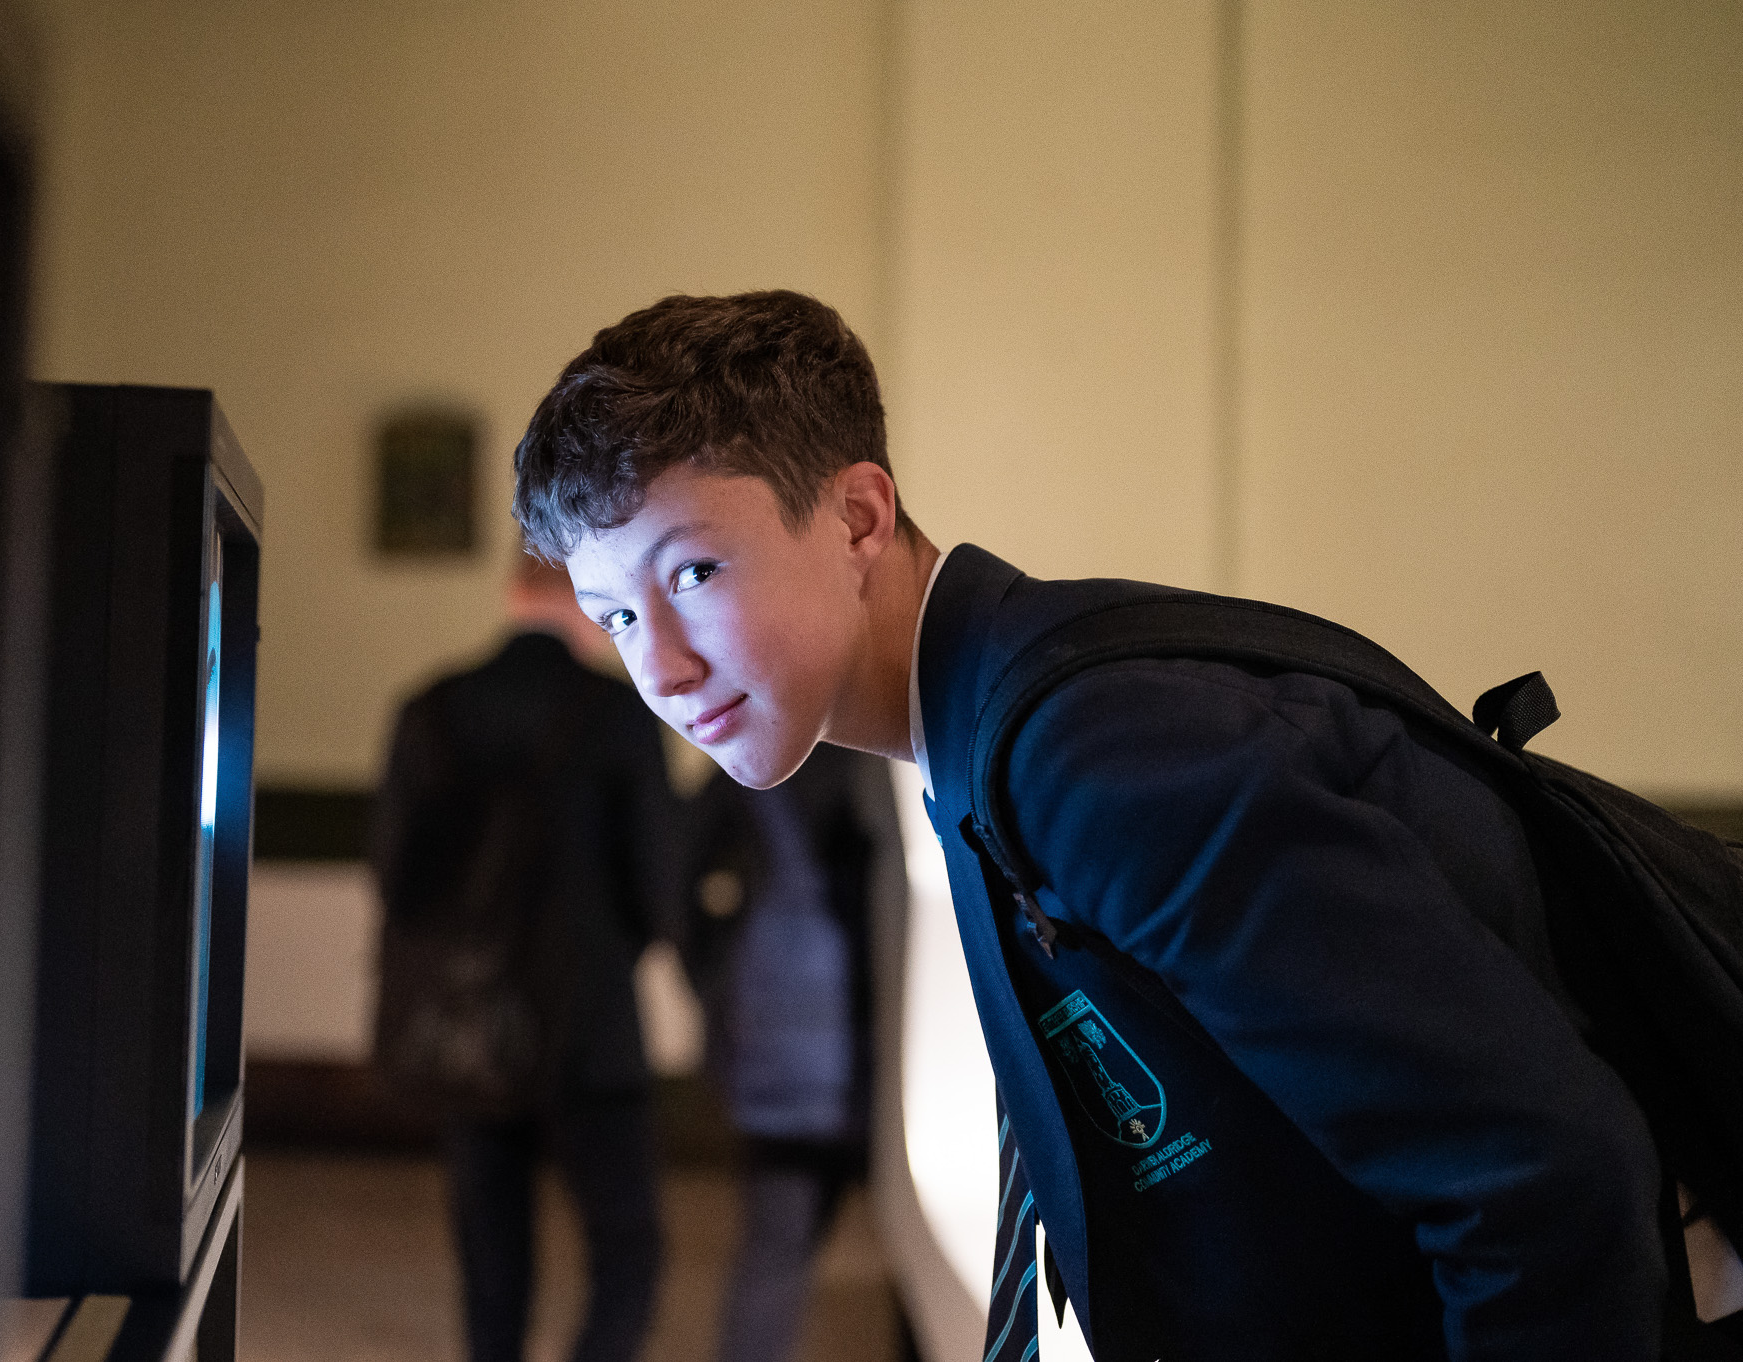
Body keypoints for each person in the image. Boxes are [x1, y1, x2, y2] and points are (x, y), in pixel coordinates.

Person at [507, 290, 1693, 1359]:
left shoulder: (1099, 750)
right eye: (612, 614)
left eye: (693, 574)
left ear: (859, 518)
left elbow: (1540, 1177)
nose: (656, 666)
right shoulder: (990, 724)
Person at [372, 554, 679, 1362]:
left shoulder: (429, 710)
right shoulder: (615, 716)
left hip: (467, 1029)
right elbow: (657, 887)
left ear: (512, 593)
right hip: (591, 1031)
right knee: (628, 1251)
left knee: (492, 1264)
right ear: (588, 599)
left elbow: (398, 885)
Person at [683, 742, 899, 1362]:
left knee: (777, 1246)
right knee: (929, 1252)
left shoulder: (751, 754)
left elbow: (677, 876)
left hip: (784, 1051)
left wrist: (715, 977)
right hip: (896, 1035)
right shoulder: (897, 754)